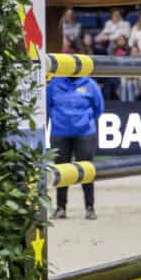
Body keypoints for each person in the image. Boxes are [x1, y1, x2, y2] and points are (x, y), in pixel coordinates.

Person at [47, 74, 105, 219]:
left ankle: (90, 207)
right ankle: (61, 208)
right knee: (60, 171)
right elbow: (47, 106)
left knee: (87, 171)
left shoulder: (90, 84)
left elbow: (99, 108)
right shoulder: (54, 84)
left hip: (85, 133)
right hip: (59, 133)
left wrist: (85, 121)